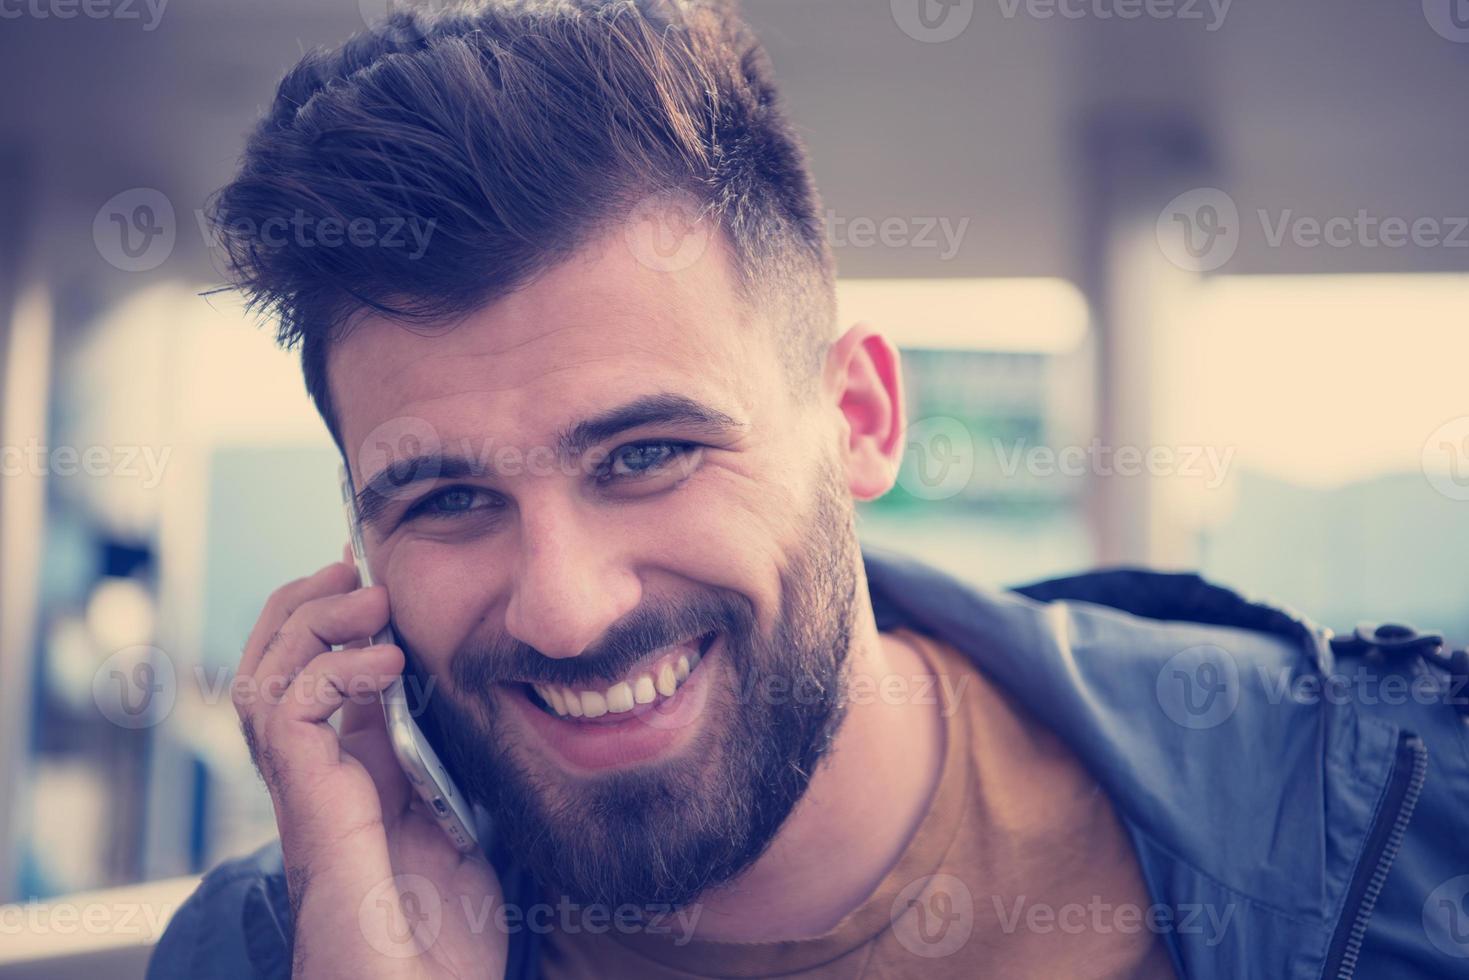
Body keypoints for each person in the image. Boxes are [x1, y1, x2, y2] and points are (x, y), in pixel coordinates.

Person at [148, 2, 1469, 977]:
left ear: (856, 421)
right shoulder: (271, 954)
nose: (562, 607)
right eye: (442, 499)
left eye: (646, 454)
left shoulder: (1391, 821)